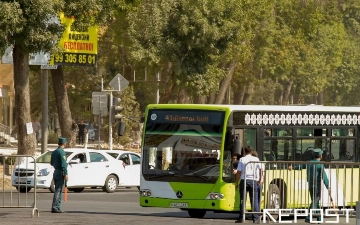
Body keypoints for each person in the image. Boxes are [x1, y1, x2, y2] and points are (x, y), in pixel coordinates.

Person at [288, 148, 330, 223]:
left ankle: (319, 218)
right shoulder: (320, 165)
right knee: (315, 201)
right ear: (320, 156)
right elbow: (324, 177)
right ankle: (308, 217)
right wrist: (328, 187)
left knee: (316, 202)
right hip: (317, 186)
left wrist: (292, 168)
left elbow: (300, 167)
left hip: (310, 185)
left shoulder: (309, 163)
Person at [235, 146, 263, 224]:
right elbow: (261, 170)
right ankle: (256, 219)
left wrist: (236, 182)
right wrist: (260, 179)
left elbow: (239, 172)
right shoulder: (256, 159)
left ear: (245, 151)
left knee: (242, 200)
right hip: (254, 180)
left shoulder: (242, 159)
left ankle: (241, 218)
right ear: (252, 152)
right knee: (254, 200)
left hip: (244, 180)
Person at [50, 137, 68, 213]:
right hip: (60, 172)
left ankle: (57, 206)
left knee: (58, 189)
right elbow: (64, 164)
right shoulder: (62, 152)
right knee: (58, 190)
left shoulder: (54, 152)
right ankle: (55, 206)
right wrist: (66, 173)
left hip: (55, 171)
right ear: (64, 144)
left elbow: (51, 163)